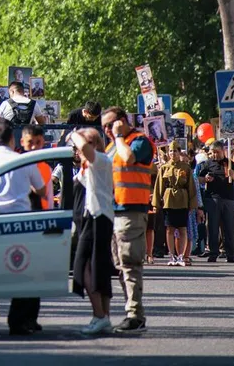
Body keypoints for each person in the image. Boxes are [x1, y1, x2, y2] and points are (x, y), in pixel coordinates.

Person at [0, 119, 44, 336]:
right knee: (21, 272)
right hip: (20, 223)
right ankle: (16, 323)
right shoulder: (24, 161)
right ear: (13, 139)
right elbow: (41, 190)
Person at [101, 106, 152, 334]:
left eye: (110, 124)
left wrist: (119, 136)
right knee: (120, 266)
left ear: (122, 121)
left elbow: (129, 158)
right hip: (114, 211)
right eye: (103, 126)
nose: (107, 130)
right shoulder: (112, 146)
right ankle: (131, 312)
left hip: (131, 210)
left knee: (130, 264)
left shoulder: (139, 141)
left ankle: (135, 315)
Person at [70, 127, 115, 336]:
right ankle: (103, 316)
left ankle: (100, 315)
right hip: (93, 217)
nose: (79, 150)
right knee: (97, 267)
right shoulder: (88, 166)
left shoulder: (101, 160)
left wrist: (74, 134)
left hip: (99, 217)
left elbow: (86, 150)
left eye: (82, 146)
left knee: (87, 266)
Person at [152, 142, 198, 266]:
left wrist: (192, 204)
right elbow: (159, 186)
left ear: (179, 152)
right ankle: (172, 255)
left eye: (175, 151)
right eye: (171, 151)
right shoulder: (164, 167)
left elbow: (191, 187)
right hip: (169, 200)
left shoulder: (186, 167)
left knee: (183, 228)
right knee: (169, 229)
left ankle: (181, 256)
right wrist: (156, 203)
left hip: (182, 200)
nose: (173, 153)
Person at [196, 139, 234, 263]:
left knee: (229, 227)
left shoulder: (230, 164)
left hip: (228, 198)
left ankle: (230, 254)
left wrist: (233, 176)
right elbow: (198, 179)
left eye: (217, 152)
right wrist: (205, 179)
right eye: (212, 152)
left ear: (223, 151)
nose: (215, 155)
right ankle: (213, 252)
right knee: (213, 227)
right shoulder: (207, 164)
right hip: (213, 198)